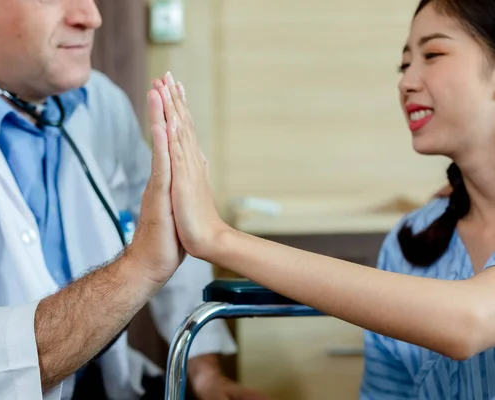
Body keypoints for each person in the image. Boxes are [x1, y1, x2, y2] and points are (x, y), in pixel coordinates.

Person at [0, 0, 272, 399]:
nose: (90, 16)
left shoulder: (99, 101)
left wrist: (205, 372)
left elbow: (177, 225)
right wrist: (138, 267)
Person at [148, 0, 495, 398]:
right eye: (403, 65)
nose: (406, 81)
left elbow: (467, 323)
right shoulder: (410, 241)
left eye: (432, 54)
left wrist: (217, 238)